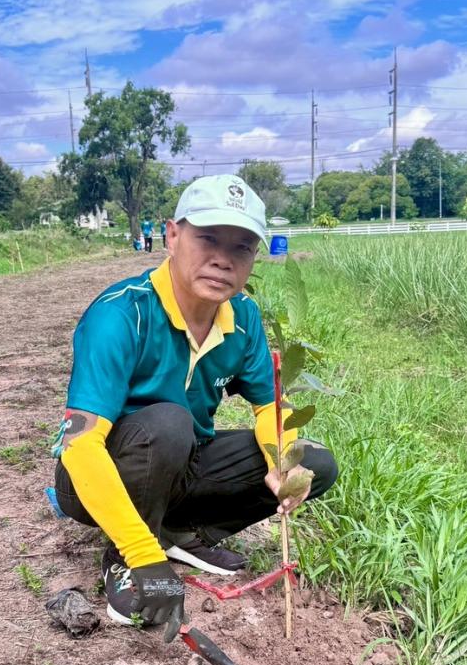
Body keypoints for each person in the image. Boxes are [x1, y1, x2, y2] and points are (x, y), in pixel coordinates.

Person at [51, 175, 338, 638]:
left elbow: (269, 407)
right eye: (208, 238)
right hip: (95, 477)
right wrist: (144, 557)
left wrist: (278, 464)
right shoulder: (122, 314)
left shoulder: (242, 317)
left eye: (242, 247)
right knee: (169, 421)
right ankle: (128, 557)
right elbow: (80, 446)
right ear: (172, 236)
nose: (223, 259)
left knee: (313, 461)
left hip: (182, 462)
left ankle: (181, 534)